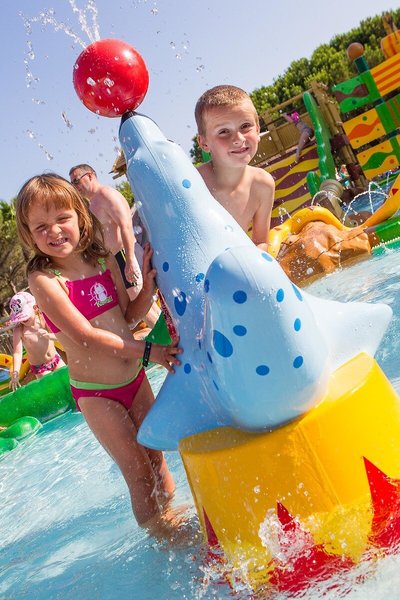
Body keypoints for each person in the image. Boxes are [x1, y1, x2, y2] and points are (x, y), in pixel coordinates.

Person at [15, 173, 184, 539]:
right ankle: (162, 539)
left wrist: (148, 288)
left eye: (62, 219)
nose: (54, 231)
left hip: (134, 379)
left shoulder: (104, 260)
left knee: (157, 459)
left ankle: (175, 524)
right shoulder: (45, 279)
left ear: (79, 216)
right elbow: (86, 337)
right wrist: (151, 352)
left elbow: (127, 318)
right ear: (29, 234)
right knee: (139, 474)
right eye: (41, 227)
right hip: (98, 393)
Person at [69, 164, 160, 330]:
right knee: (138, 305)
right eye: (72, 184)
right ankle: (169, 336)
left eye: (76, 181)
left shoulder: (105, 195)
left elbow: (125, 225)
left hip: (124, 254)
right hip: (117, 260)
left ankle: (170, 338)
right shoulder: (93, 203)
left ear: (90, 175)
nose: (75, 187)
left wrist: (130, 260)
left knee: (142, 304)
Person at [195, 85, 275, 251]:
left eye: (245, 126)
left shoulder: (262, 185)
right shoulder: (196, 184)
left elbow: (261, 241)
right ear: (204, 143)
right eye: (224, 131)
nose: (238, 139)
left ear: (258, 130)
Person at [8, 291, 65, 391]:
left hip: (56, 359)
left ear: (35, 308)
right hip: (40, 368)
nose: (23, 319)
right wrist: (15, 372)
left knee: (68, 381)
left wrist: (50, 336)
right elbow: (17, 353)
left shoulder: (43, 320)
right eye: (20, 317)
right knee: (53, 389)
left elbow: (59, 336)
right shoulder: (19, 330)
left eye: (25, 315)